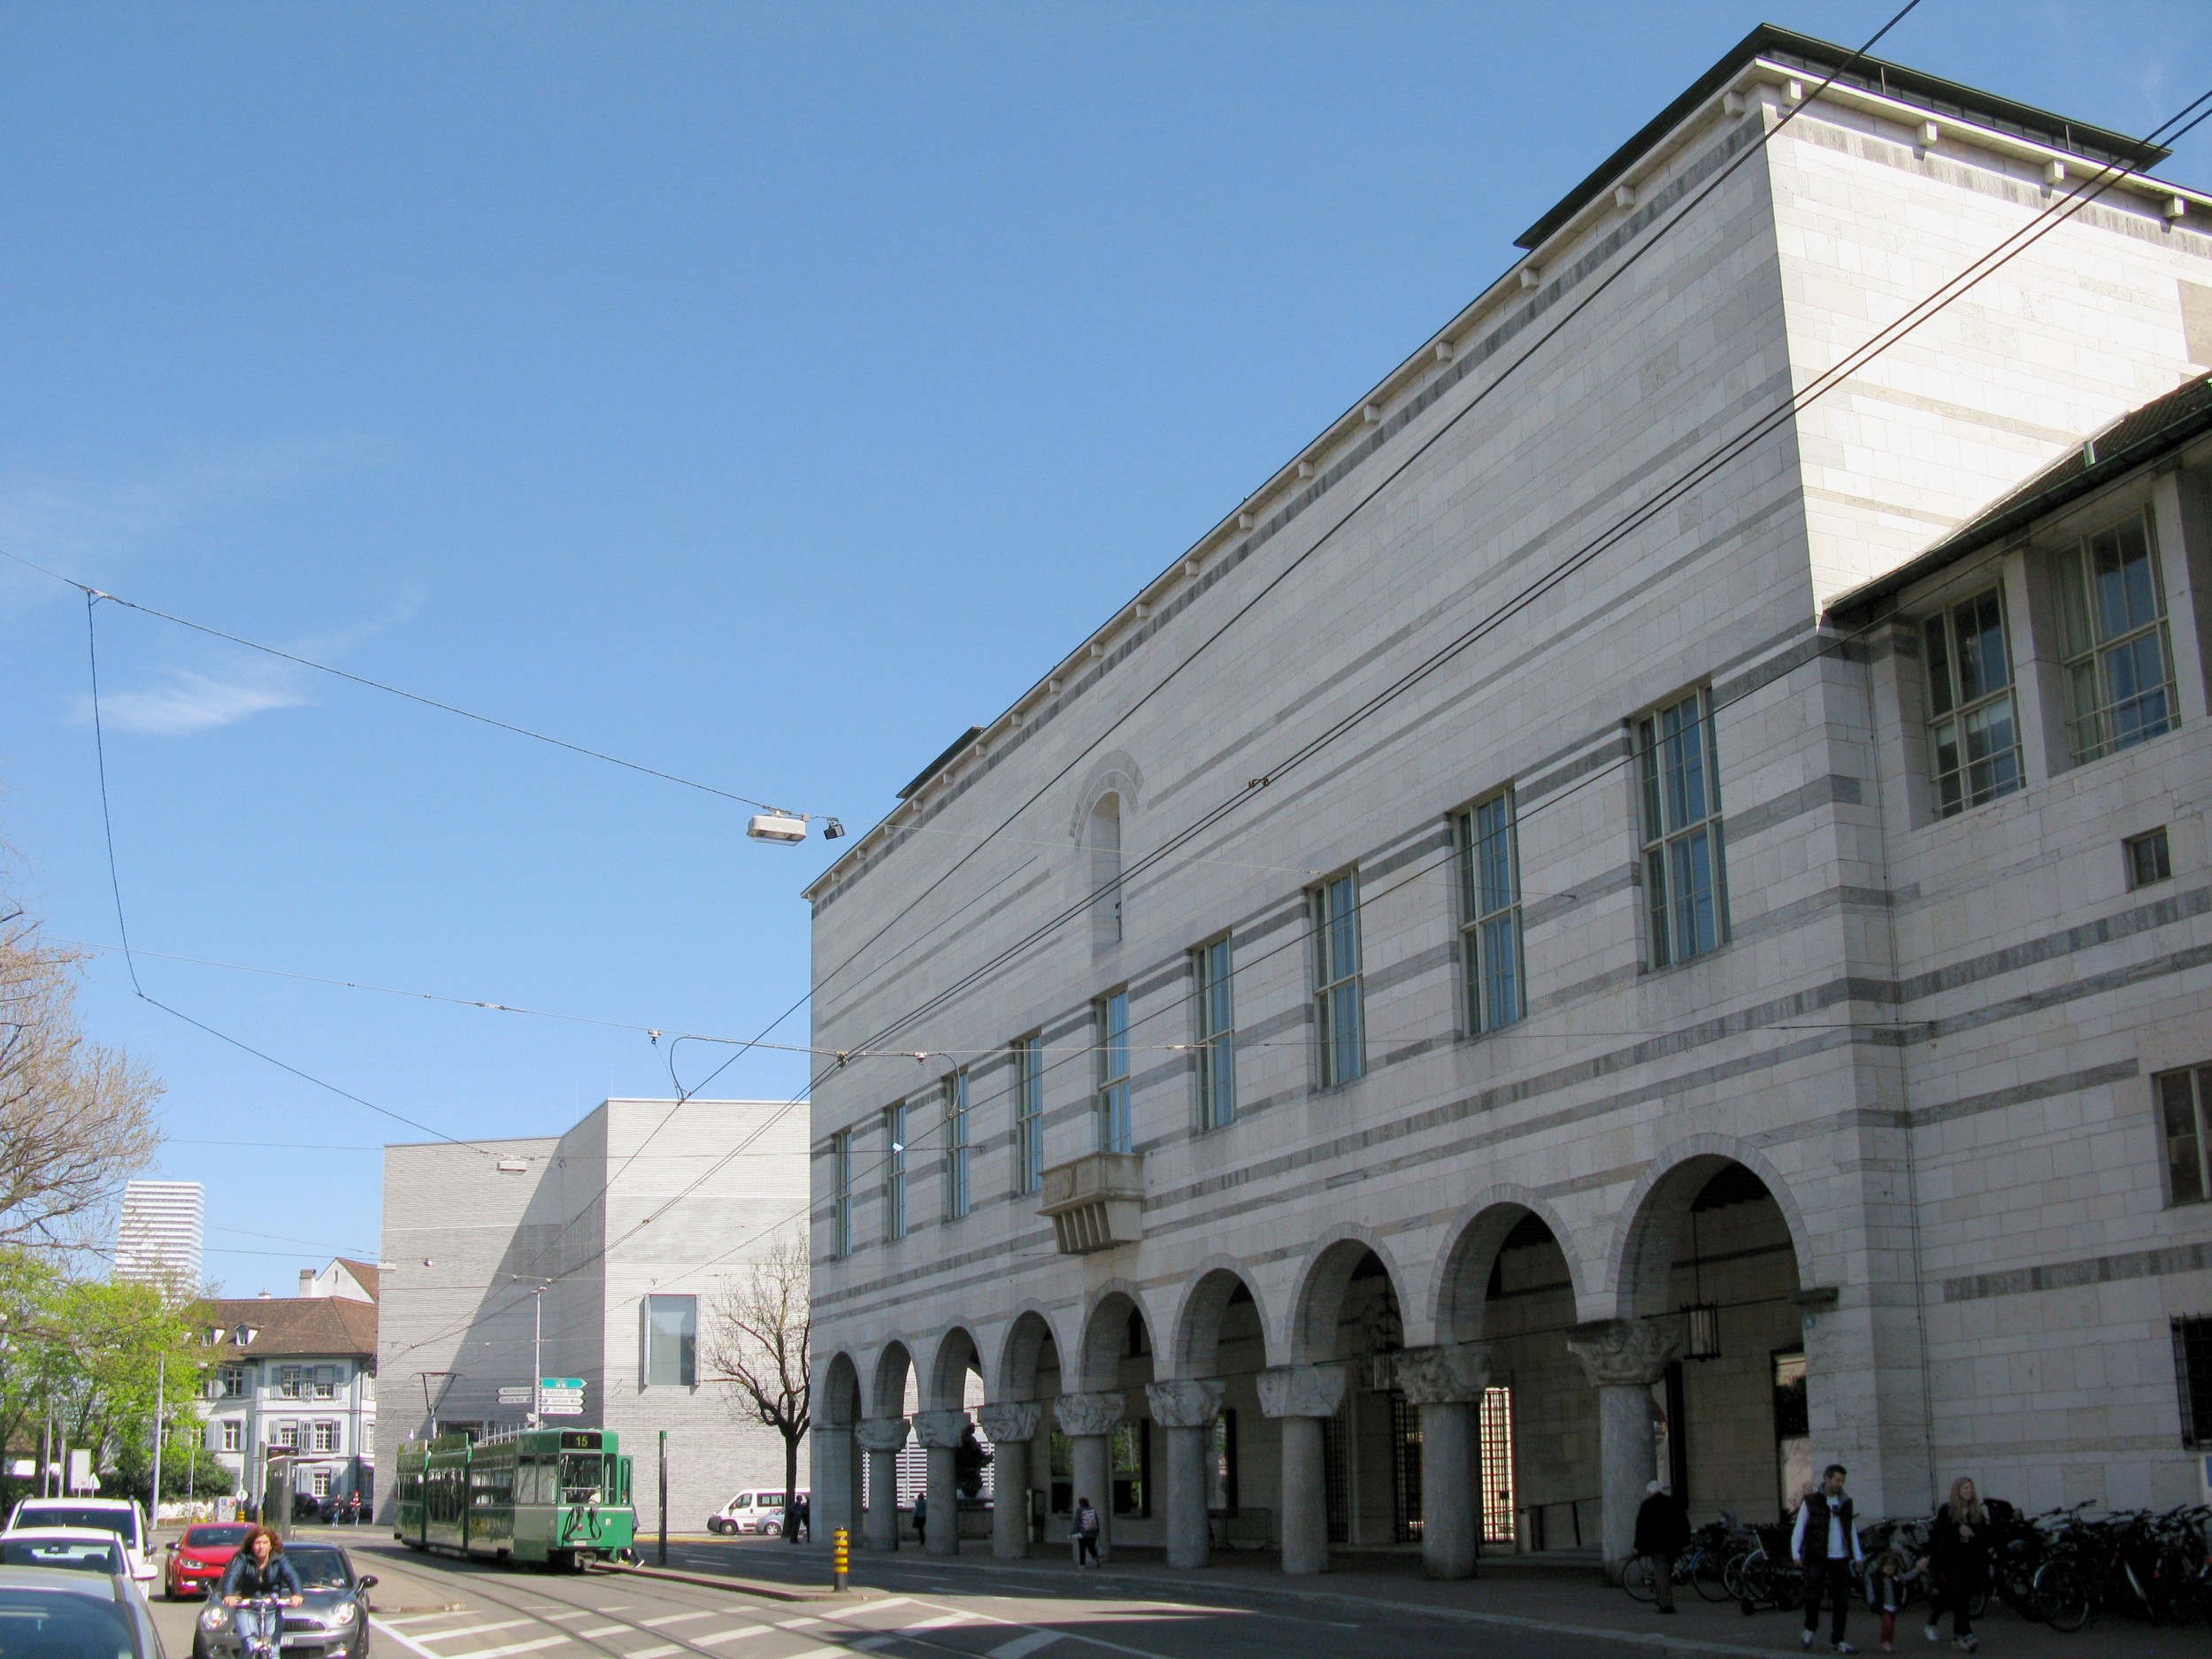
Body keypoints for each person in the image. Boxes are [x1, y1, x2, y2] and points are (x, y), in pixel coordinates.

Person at [1792, 1463, 1863, 1654]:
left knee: (1842, 1600)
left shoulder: (1845, 1502)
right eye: (1837, 1480)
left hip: (1840, 1557)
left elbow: (1851, 1530)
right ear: (1827, 1479)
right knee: (1813, 1594)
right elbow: (1800, 1527)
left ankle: (1837, 1640)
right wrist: (1795, 1553)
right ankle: (1810, 1628)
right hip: (1819, 1555)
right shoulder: (1812, 1501)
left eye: (1842, 1481)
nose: (1840, 1484)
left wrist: (1858, 1556)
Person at [218, 1525, 303, 1655]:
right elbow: (232, 1576)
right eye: (257, 1543)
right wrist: (228, 1595)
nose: (261, 1546)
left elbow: (292, 1576)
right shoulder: (243, 1558)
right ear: (251, 1545)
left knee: (273, 1651)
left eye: (265, 1543)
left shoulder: (279, 1558)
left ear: (271, 1545)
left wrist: (297, 1594)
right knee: (250, 1647)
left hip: (272, 1608)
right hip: (247, 1607)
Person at [1925, 1477, 1987, 1652]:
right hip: (1950, 1561)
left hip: (1969, 1561)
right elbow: (1938, 1535)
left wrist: (1974, 1532)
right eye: (1965, 1488)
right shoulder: (1948, 1510)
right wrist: (1932, 1560)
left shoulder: (1976, 1511)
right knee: (1958, 1598)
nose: (1969, 1491)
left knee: (1964, 1600)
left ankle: (1957, 1636)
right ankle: (1967, 1633)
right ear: (1957, 1490)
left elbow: (1984, 1534)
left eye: (1971, 1488)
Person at [1632, 1479, 1690, 1613]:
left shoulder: (1647, 1505)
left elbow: (1641, 1527)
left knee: (1661, 1574)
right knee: (1667, 1572)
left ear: (1649, 1492)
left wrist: (1638, 1546)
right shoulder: (1673, 1503)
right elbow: (1684, 1523)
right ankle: (1664, 1598)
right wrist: (1685, 1541)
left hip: (1657, 1546)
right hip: (1674, 1545)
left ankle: (1665, 1604)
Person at [1869, 1549, 1926, 1652]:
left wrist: (1917, 1570)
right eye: (1888, 1569)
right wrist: (1872, 1601)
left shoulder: (1896, 1576)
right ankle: (1884, 1642)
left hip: (1893, 1605)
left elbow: (1906, 1577)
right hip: (1882, 1605)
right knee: (1888, 1623)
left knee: (1891, 1625)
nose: (1890, 1571)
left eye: (1892, 1569)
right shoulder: (1877, 1578)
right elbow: (1871, 1590)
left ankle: (1889, 1641)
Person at [1072, 1496, 1101, 1567]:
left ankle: (1082, 1564)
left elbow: (1075, 1522)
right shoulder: (1092, 1510)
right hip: (1092, 1532)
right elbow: (1096, 1521)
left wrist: (1074, 1532)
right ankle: (1095, 1557)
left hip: (1083, 1533)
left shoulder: (1079, 1511)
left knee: (1082, 1549)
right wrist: (1097, 1531)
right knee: (1091, 1547)